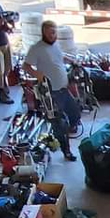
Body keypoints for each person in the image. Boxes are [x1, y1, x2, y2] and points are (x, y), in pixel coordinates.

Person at [20, 18, 78, 160]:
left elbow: (58, 57)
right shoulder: (36, 49)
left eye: (54, 32)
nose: (53, 35)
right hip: (51, 93)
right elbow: (25, 66)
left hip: (63, 89)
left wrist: (70, 60)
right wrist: (36, 74)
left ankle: (68, 128)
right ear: (44, 34)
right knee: (59, 124)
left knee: (75, 112)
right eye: (50, 33)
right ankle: (66, 150)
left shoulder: (55, 45)